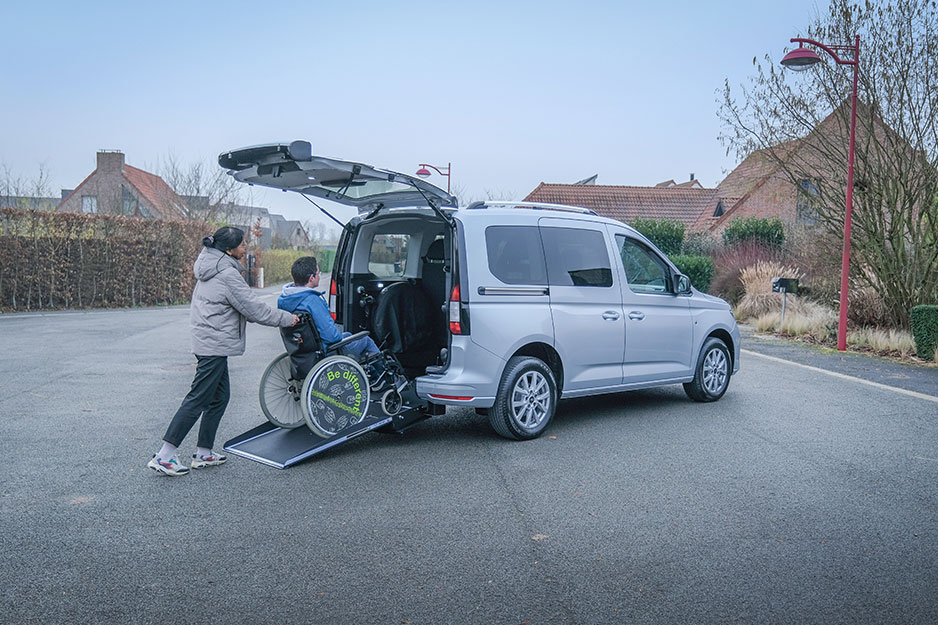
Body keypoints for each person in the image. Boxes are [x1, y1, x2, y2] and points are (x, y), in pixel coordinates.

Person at [148, 227, 299, 476]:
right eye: (242, 245)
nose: (245, 248)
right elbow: (254, 310)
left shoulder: (211, 265)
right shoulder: (226, 274)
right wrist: (288, 319)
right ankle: (165, 455)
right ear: (229, 249)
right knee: (198, 398)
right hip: (213, 343)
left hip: (209, 340)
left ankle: (204, 452)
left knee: (219, 397)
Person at [277, 256, 380, 360]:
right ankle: (383, 375)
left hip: (303, 350)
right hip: (327, 351)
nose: (319, 276)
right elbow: (332, 337)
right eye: (318, 273)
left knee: (348, 334)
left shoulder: (284, 300)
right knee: (366, 340)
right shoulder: (312, 301)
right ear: (311, 278)